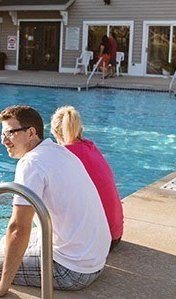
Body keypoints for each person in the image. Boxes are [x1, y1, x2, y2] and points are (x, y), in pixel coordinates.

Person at [0, 105, 110, 296]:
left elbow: (19, 228)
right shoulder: (60, 152)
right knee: (3, 244)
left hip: (72, 269)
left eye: (9, 133)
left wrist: (3, 285)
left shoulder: (31, 163)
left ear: (31, 132)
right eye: (2, 134)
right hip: (94, 259)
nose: (3, 140)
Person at [51, 106, 123, 251]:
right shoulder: (90, 147)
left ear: (55, 133)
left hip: (99, 241)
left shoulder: (65, 155)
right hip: (115, 234)